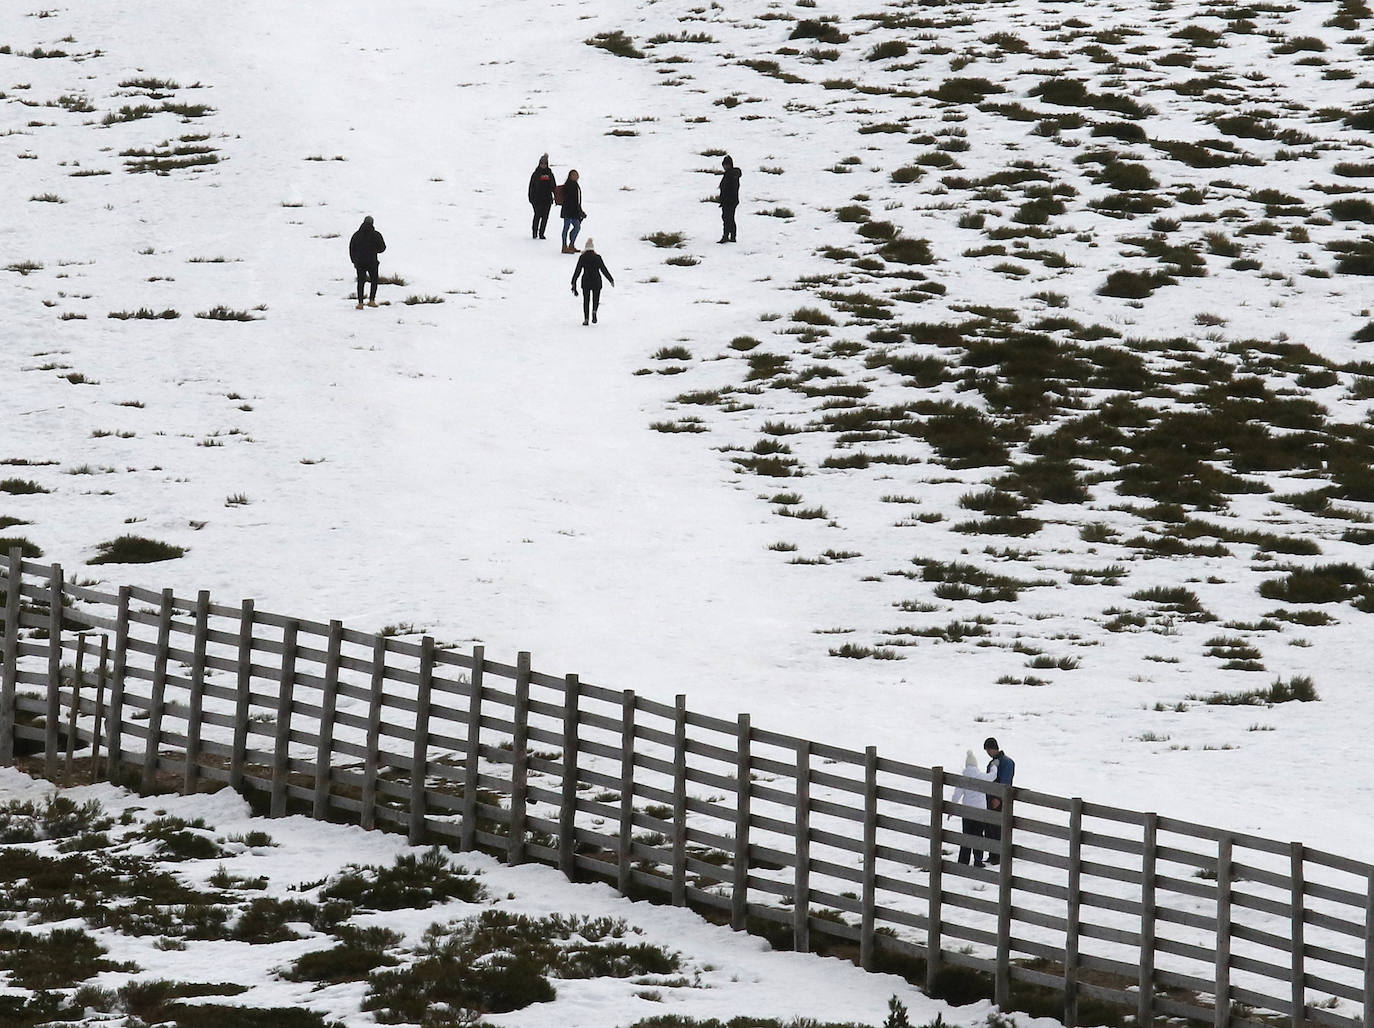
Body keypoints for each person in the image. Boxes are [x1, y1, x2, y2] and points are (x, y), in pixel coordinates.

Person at [948, 749, 994, 868]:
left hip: (967, 812)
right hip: (980, 811)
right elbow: (992, 777)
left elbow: (956, 795)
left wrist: (951, 809)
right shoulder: (980, 776)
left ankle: (963, 860)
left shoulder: (963, 779)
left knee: (966, 836)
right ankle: (978, 860)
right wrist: (994, 767)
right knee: (978, 835)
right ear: (976, 765)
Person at [983, 737, 1016, 865]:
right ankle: (993, 854)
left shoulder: (1006, 763)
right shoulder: (994, 763)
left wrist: (999, 798)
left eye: (988, 750)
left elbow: (1005, 782)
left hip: (999, 799)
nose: (987, 753)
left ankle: (998, 855)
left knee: (998, 828)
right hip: (991, 798)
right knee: (991, 828)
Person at [570, 239, 614, 325]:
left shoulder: (582, 257)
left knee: (586, 300)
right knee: (595, 299)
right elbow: (603, 269)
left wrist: (573, 281)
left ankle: (586, 319)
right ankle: (594, 311)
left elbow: (577, 271)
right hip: (596, 281)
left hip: (586, 281)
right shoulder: (598, 257)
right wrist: (610, 279)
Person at [349, 215, 386, 309]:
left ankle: (360, 303)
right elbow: (382, 248)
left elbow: (352, 249)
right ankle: (372, 300)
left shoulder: (356, 235)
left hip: (360, 262)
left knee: (361, 282)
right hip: (372, 262)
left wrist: (354, 261)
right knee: (374, 281)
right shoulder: (376, 234)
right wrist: (374, 250)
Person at [528, 154, 557, 240]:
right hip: (537, 200)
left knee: (545, 217)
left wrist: (555, 196)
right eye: (542, 163)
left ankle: (541, 233)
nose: (543, 165)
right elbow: (531, 187)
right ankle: (534, 232)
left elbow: (554, 187)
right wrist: (531, 198)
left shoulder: (550, 174)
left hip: (547, 199)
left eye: (545, 163)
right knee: (537, 216)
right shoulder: (535, 174)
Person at [559, 169, 585, 253]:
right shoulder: (569, 185)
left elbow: (577, 201)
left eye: (576, 175)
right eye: (574, 175)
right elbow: (569, 200)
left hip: (574, 212)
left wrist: (580, 211)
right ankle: (564, 246)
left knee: (577, 227)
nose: (576, 176)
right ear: (570, 176)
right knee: (566, 228)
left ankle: (571, 244)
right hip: (568, 211)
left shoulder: (576, 185)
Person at [717, 154, 741, 243]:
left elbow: (731, 189)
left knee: (728, 218)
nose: (724, 166)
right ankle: (731, 236)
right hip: (729, 201)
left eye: (726, 165)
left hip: (730, 201)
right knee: (728, 218)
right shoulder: (730, 174)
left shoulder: (731, 175)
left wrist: (727, 200)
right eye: (724, 165)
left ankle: (727, 236)